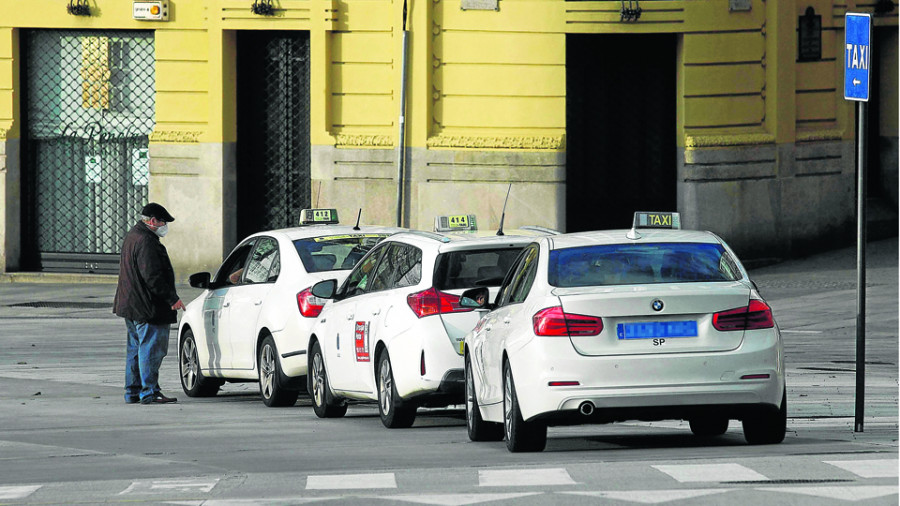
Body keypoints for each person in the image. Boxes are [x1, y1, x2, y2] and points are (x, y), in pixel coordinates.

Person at [113, 203, 186, 405]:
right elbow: (152, 277)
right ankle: (150, 392)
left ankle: (133, 391)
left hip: (131, 305)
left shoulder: (133, 236)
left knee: (136, 350)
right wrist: (173, 299)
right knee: (151, 350)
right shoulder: (147, 241)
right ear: (153, 221)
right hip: (148, 307)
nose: (165, 226)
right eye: (163, 222)